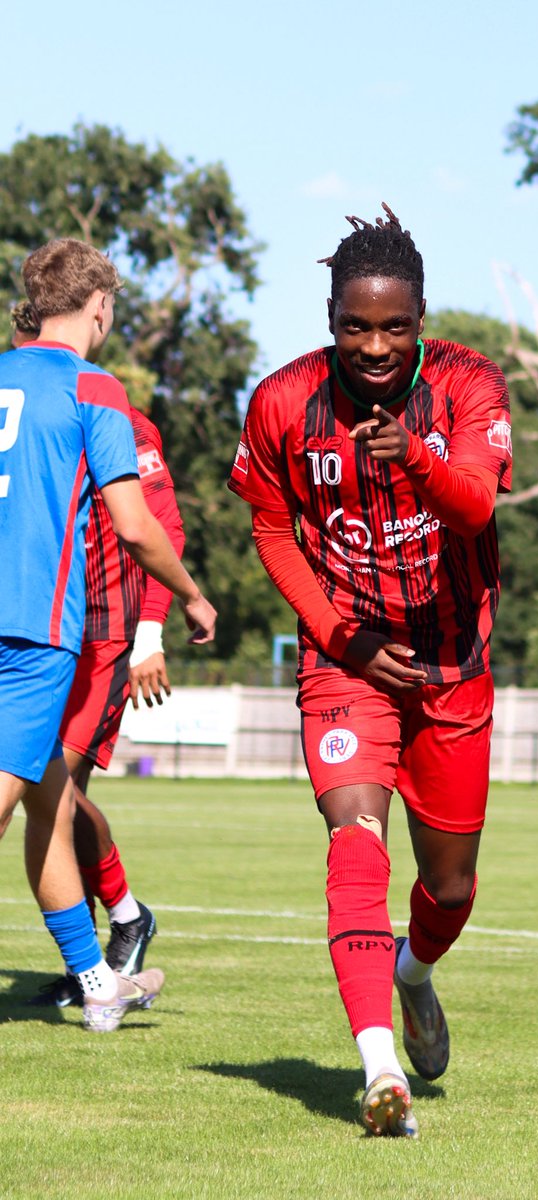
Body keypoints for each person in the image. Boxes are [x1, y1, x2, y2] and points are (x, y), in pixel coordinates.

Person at [228, 205, 512, 1138]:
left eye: (394, 326)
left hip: (453, 662)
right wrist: (337, 636)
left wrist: (418, 461)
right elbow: (272, 529)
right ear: (330, 318)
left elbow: (471, 509)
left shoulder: (471, 385)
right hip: (346, 661)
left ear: (422, 319)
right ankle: (379, 1066)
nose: (375, 345)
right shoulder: (282, 402)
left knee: (453, 885)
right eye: (356, 325)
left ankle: (416, 973)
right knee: (355, 836)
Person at [0, 237, 216, 1033]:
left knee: (49, 801)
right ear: (99, 306)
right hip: (35, 630)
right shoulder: (95, 389)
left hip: (42, 628)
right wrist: (189, 599)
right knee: (18, 802)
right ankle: (113, 934)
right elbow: (140, 525)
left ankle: (97, 980)